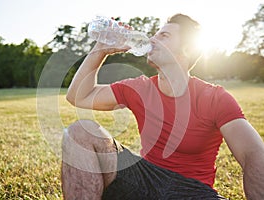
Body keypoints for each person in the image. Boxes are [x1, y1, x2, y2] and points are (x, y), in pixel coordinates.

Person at [62, 13, 264, 199]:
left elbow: (253, 153)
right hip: (146, 181)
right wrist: (100, 50)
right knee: (80, 131)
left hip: (192, 192)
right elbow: (79, 96)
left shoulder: (214, 98)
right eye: (155, 34)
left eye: (164, 36)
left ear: (186, 50)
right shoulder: (139, 88)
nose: (152, 40)